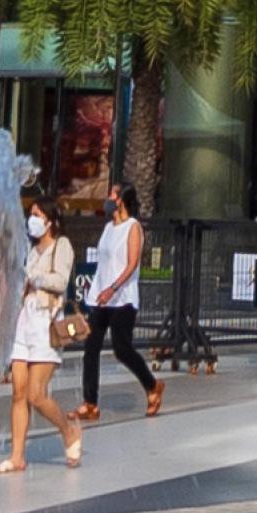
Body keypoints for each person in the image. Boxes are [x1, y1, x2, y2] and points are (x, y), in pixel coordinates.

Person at [1, 196, 90, 473]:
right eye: (31, 214)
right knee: (18, 392)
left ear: (50, 220)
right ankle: (17, 456)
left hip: (45, 322)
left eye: (37, 214)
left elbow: (62, 281)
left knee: (36, 395)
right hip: (24, 321)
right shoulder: (32, 250)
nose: (33, 219)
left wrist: (33, 277)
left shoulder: (60, 246)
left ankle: (68, 430)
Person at [74, 175, 164, 420]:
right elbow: (103, 263)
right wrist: (95, 293)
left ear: (123, 200)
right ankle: (90, 402)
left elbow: (132, 264)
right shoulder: (108, 228)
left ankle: (152, 385)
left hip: (122, 297)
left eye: (113, 195)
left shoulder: (132, 227)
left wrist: (112, 288)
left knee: (121, 348)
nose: (109, 199)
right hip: (101, 298)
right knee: (90, 348)